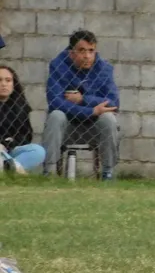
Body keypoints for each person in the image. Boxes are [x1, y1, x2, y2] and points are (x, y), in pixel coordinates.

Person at [41, 30, 119, 180]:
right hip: (66, 127)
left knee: (108, 118)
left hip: (93, 128)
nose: (87, 56)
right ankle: (49, 173)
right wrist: (91, 110)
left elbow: (113, 102)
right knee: (56, 115)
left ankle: (108, 172)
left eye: (91, 51)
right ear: (71, 53)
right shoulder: (58, 66)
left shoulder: (104, 69)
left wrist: (84, 100)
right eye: (82, 51)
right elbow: (55, 102)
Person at [0, 65, 45, 173]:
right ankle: (14, 169)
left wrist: (8, 144)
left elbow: (26, 135)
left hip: (12, 149)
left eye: (8, 80)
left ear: (13, 84)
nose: (4, 84)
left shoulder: (20, 106)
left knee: (38, 151)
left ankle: (9, 167)